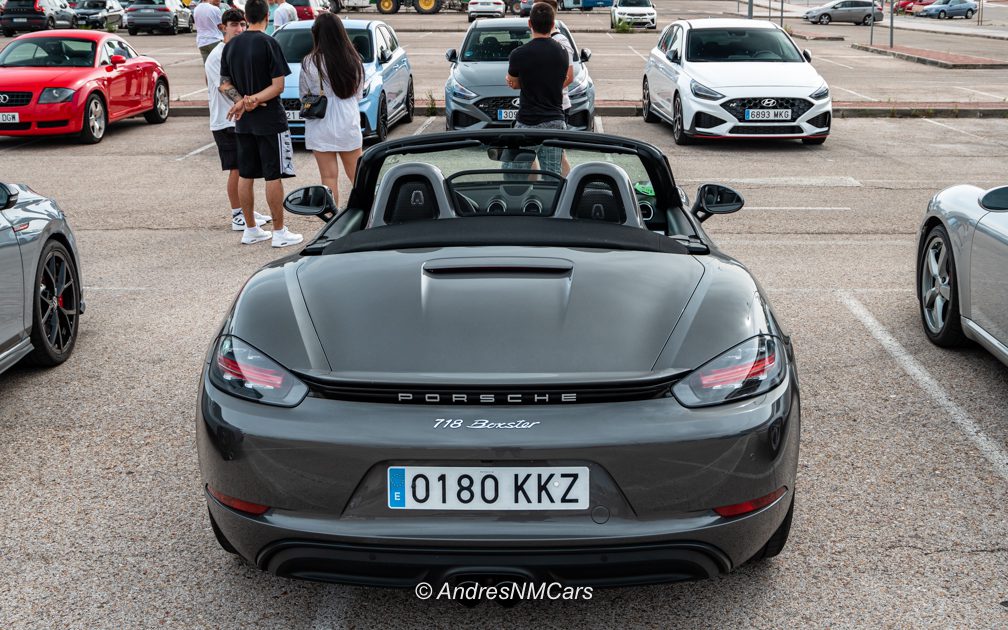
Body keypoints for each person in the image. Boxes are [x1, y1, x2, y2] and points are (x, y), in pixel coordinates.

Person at [219, 0, 303, 247]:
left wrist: (243, 102)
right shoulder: (270, 43)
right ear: (268, 16)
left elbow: (224, 84)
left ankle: (251, 229)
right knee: (272, 175)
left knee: (246, 174)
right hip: (270, 122)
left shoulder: (231, 45)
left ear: (246, 16)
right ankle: (278, 232)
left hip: (243, 123)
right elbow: (278, 86)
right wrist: (253, 100)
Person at [206, 9, 272, 232]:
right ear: (222, 27)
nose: (239, 29)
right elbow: (226, 88)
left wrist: (251, 100)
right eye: (234, 25)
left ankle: (247, 211)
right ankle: (237, 215)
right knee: (237, 169)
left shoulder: (236, 49)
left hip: (240, 120)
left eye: (242, 25)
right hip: (225, 121)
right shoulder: (217, 56)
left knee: (246, 168)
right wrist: (254, 101)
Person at [299, 12, 364, 205]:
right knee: (358, 178)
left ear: (316, 34)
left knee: (328, 179)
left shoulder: (309, 61)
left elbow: (304, 94)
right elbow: (359, 93)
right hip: (347, 120)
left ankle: (333, 220)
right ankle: (366, 217)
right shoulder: (354, 59)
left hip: (321, 123)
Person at [505, 2, 572, 174]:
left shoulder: (518, 54)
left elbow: (514, 83)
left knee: (514, 173)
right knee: (552, 174)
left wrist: (519, 81)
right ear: (552, 25)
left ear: (529, 24)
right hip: (555, 122)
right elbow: (562, 78)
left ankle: (526, 199)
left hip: (527, 122)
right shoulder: (562, 52)